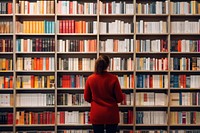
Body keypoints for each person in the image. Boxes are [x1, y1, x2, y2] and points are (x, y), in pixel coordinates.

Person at [84, 55, 123, 133]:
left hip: (97, 114)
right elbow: (120, 99)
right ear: (108, 65)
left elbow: (86, 97)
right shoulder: (113, 78)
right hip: (111, 114)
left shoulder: (90, 79)